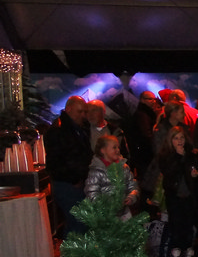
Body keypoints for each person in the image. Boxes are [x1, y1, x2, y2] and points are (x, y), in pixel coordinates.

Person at [44, 95, 93, 236]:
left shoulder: (74, 128)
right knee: (78, 223)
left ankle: (73, 249)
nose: (83, 115)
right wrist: (74, 179)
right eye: (80, 111)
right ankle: (73, 250)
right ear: (69, 109)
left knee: (78, 223)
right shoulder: (59, 130)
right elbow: (56, 160)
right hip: (68, 183)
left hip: (74, 181)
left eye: (84, 112)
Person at [158, 126, 198, 257]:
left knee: (189, 227)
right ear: (170, 140)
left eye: (181, 138)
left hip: (189, 196)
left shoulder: (190, 154)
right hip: (175, 197)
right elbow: (168, 174)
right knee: (176, 227)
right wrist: (178, 157)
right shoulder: (166, 156)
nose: (179, 141)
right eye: (176, 138)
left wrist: (195, 173)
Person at [84, 135, 140, 219]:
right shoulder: (97, 171)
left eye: (118, 147)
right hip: (105, 216)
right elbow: (92, 193)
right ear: (103, 150)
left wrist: (131, 197)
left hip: (124, 213)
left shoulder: (123, 167)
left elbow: (132, 185)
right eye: (114, 147)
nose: (118, 150)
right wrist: (104, 207)